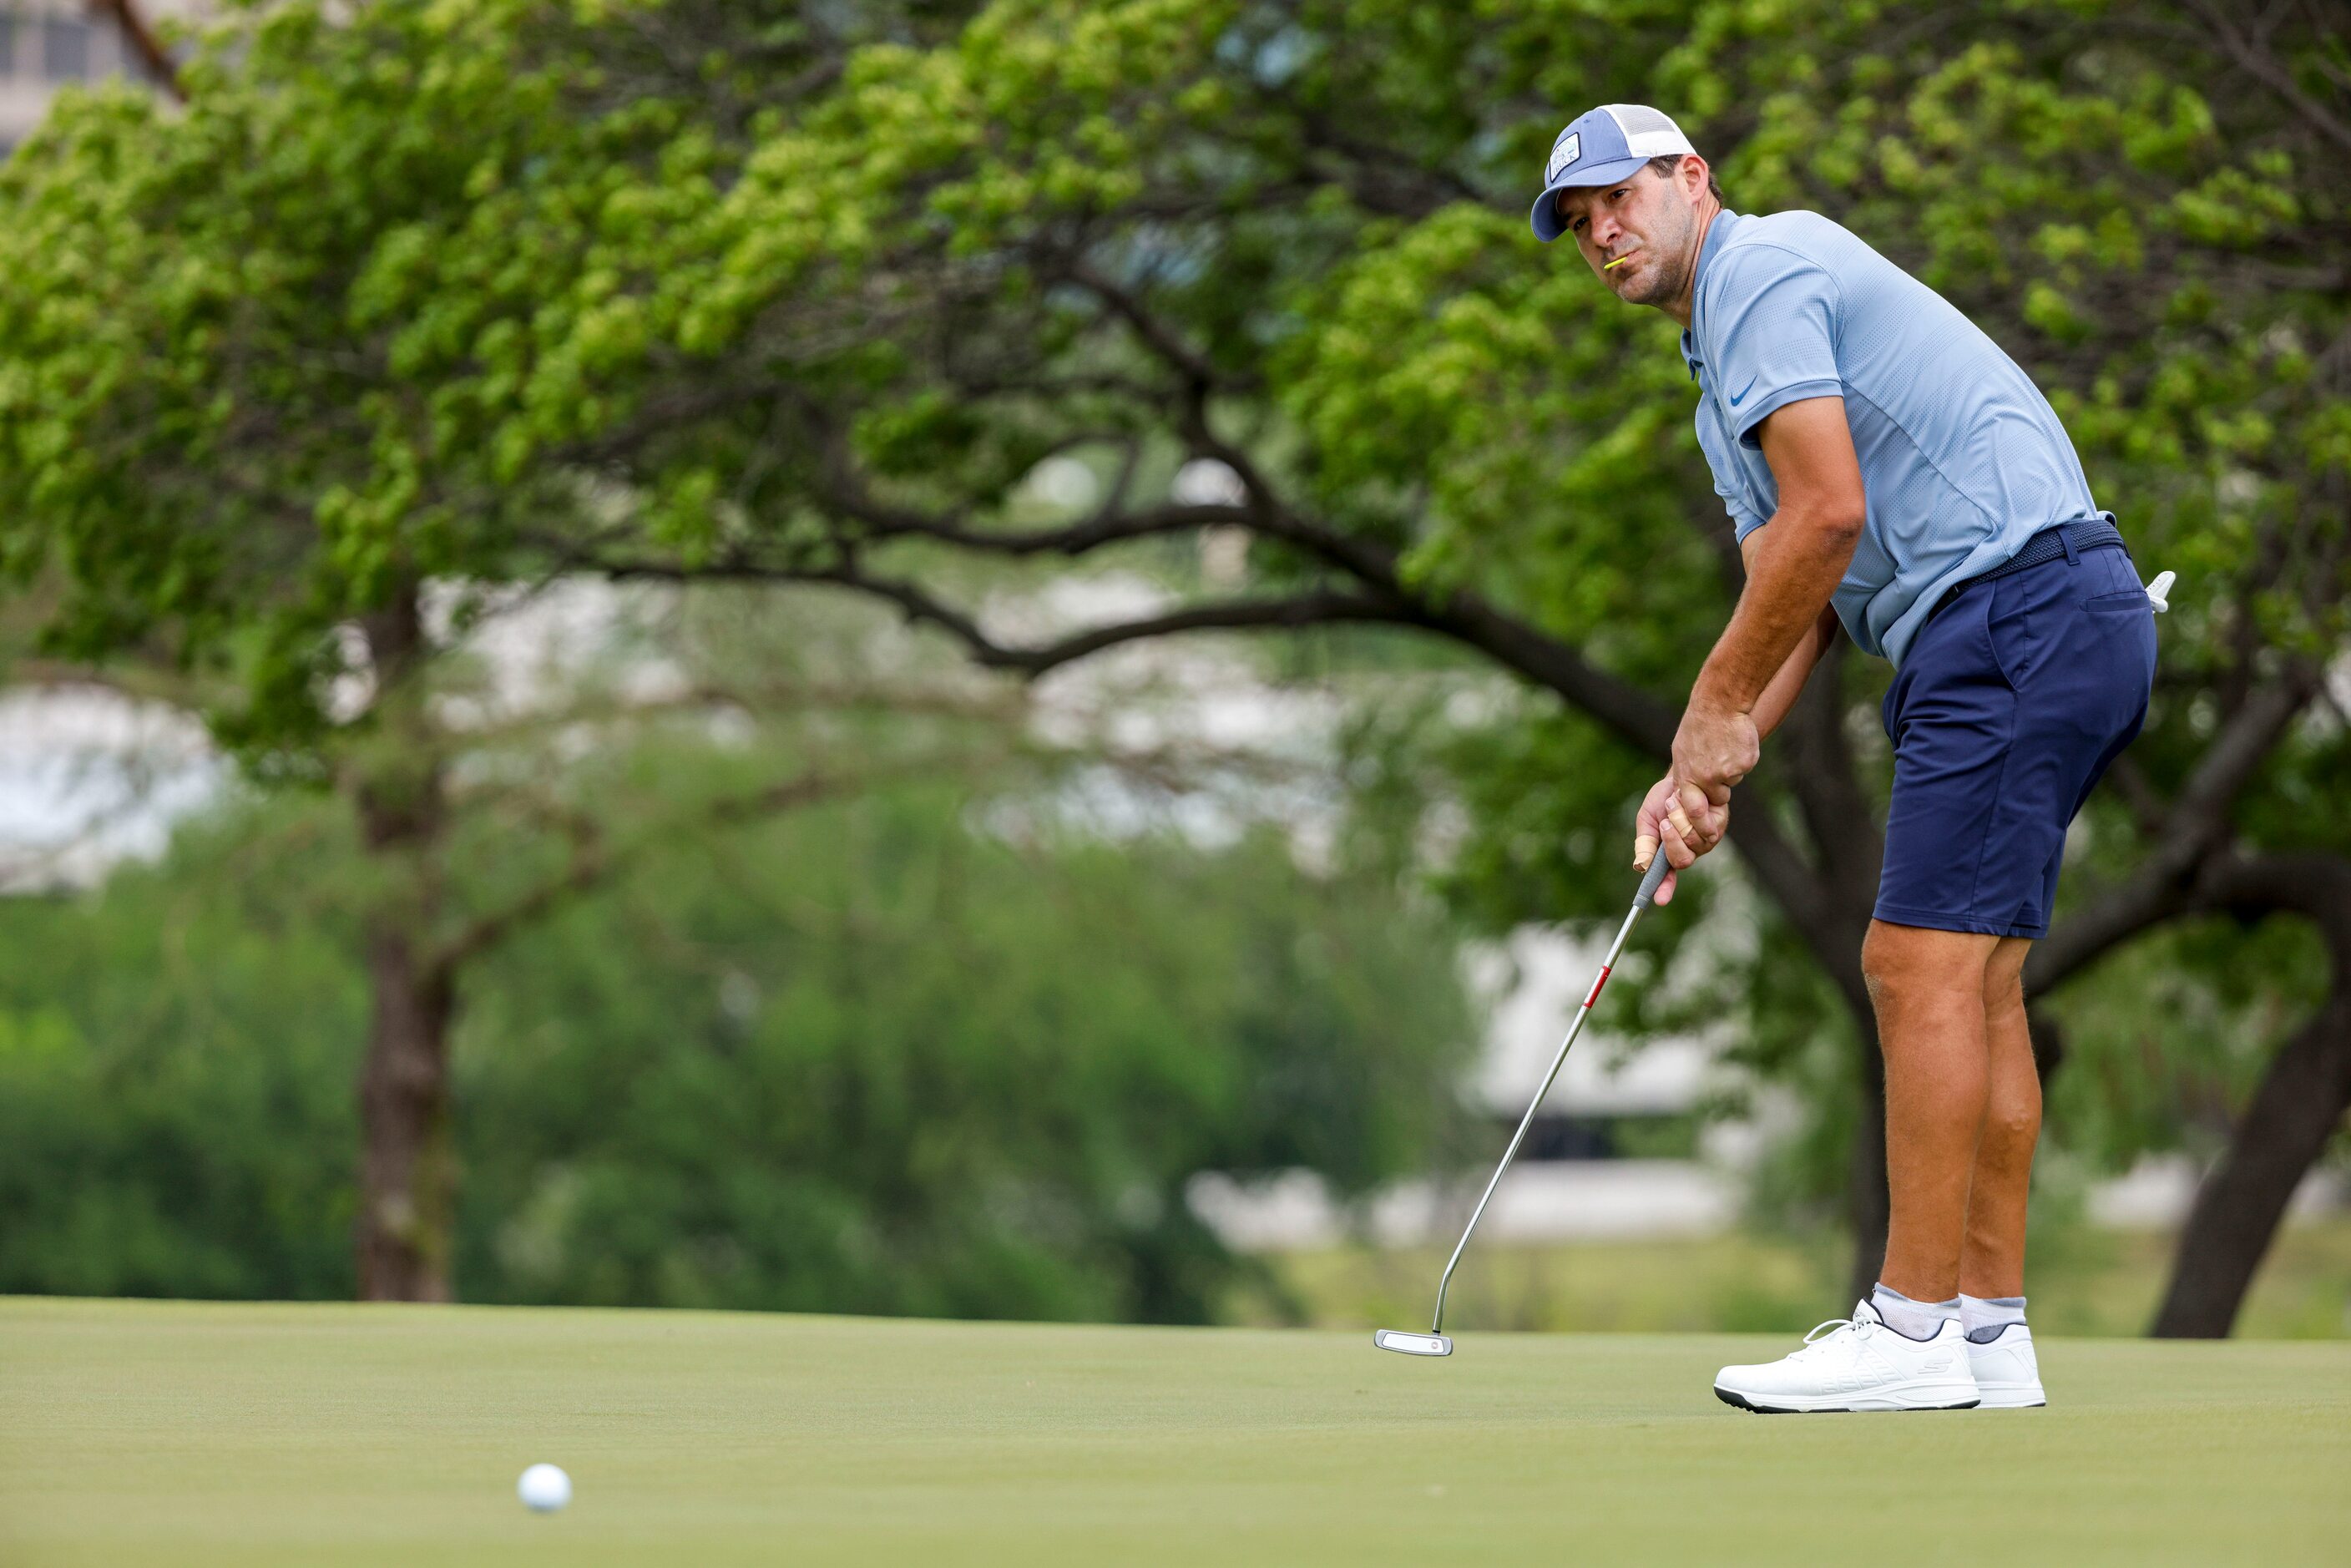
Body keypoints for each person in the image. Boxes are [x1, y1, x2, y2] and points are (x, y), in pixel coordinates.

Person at [1530, 104, 2159, 1412]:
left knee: (1911, 960)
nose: (1603, 232)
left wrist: (1712, 701)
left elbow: (1827, 515)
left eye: (1620, 198)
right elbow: (1801, 592)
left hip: (2014, 609)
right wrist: (1707, 760)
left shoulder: (1761, 270)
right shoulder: (1722, 374)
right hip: (2043, 617)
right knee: (1973, 979)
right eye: (1580, 223)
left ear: (1691, 178)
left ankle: (1912, 1328)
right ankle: (1985, 1329)